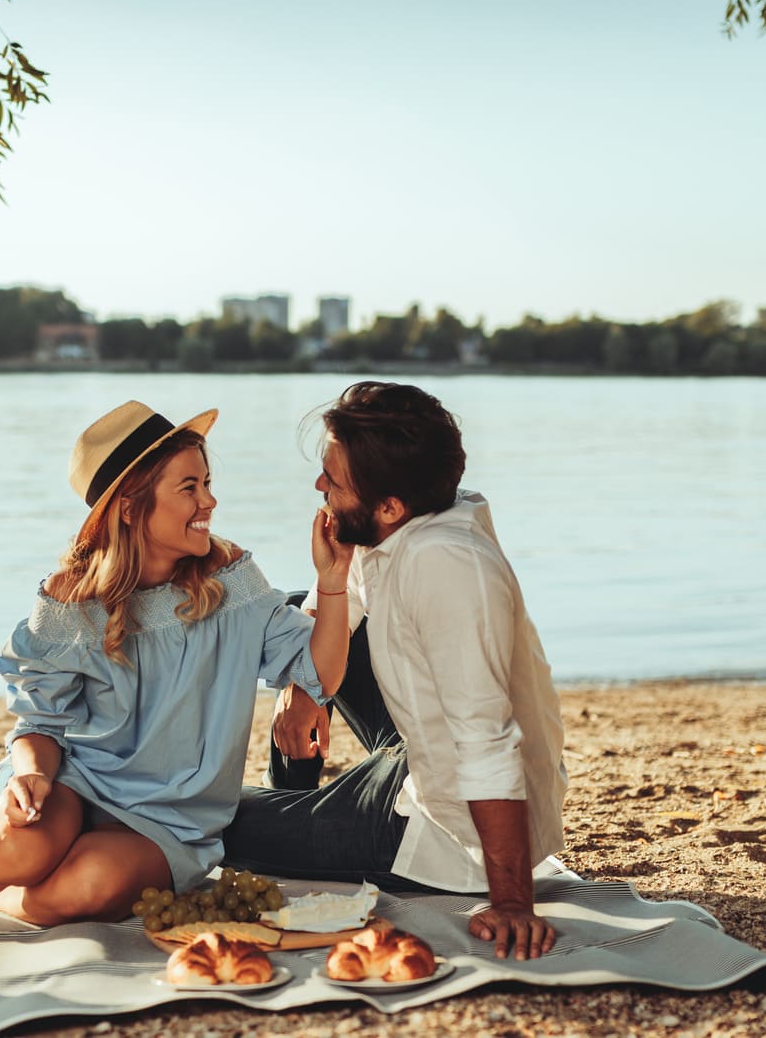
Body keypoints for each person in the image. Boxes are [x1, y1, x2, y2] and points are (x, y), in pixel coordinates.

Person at [0, 401, 352, 921]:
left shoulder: (231, 580)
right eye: (188, 488)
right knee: (21, 848)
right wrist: (28, 775)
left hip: (171, 820)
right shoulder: (70, 601)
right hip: (75, 783)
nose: (209, 500)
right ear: (130, 507)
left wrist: (332, 581)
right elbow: (41, 723)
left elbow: (320, 674)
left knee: (79, 889)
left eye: (206, 482)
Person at [222, 381, 568, 960]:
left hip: (445, 833)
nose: (318, 487)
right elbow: (346, 601)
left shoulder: (447, 567)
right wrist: (305, 691)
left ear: (389, 507)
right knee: (297, 610)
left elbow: (487, 744)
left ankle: (300, 820)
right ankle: (298, 793)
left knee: (209, 822)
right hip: (419, 750)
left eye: (332, 480)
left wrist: (512, 903)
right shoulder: (403, 520)